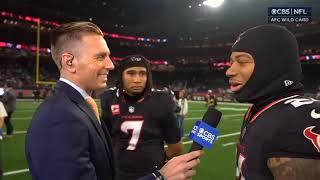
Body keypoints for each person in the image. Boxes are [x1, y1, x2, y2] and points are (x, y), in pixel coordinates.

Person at [26, 21, 202, 180]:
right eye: (100, 57)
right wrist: (160, 177)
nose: (111, 65)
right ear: (69, 61)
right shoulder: (60, 116)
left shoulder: (80, 106)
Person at [226, 24, 320, 180]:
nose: (229, 71)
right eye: (231, 62)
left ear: (272, 65)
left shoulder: (297, 122)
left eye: (242, 62)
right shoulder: (263, 109)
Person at [100, 55, 184, 180]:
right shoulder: (109, 99)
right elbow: (108, 139)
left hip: (153, 173)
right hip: (119, 172)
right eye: (131, 73)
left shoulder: (161, 100)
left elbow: (176, 147)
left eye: (142, 73)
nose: (137, 79)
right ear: (121, 76)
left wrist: (159, 159)